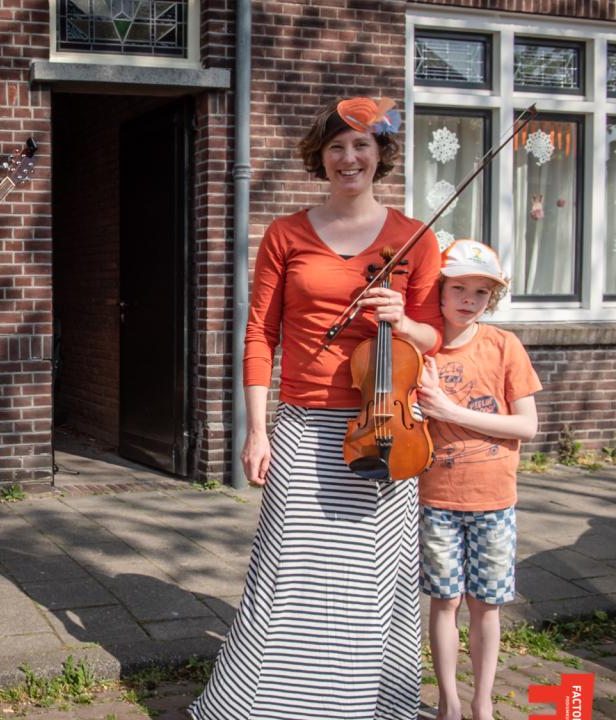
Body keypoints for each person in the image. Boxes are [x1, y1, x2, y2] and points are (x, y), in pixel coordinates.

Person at [191, 97, 444, 720]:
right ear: (321, 157)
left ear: (380, 154)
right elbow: (259, 335)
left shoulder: (416, 237)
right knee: (288, 571)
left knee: (370, 580)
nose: (348, 157)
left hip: (386, 429)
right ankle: (269, 704)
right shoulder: (287, 233)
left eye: (361, 145)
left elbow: (436, 334)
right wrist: (257, 432)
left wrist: (402, 321)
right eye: (336, 146)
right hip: (304, 423)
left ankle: (366, 704)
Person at [416, 239, 540, 720]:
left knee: (486, 606)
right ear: (441, 291)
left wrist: (450, 410)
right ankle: (448, 701)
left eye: (480, 292)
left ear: (492, 299)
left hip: (494, 500)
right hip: (437, 499)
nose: (468, 299)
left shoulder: (503, 346)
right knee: (444, 602)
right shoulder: (423, 350)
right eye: (459, 288)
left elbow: (525, 426)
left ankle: (482, 702)